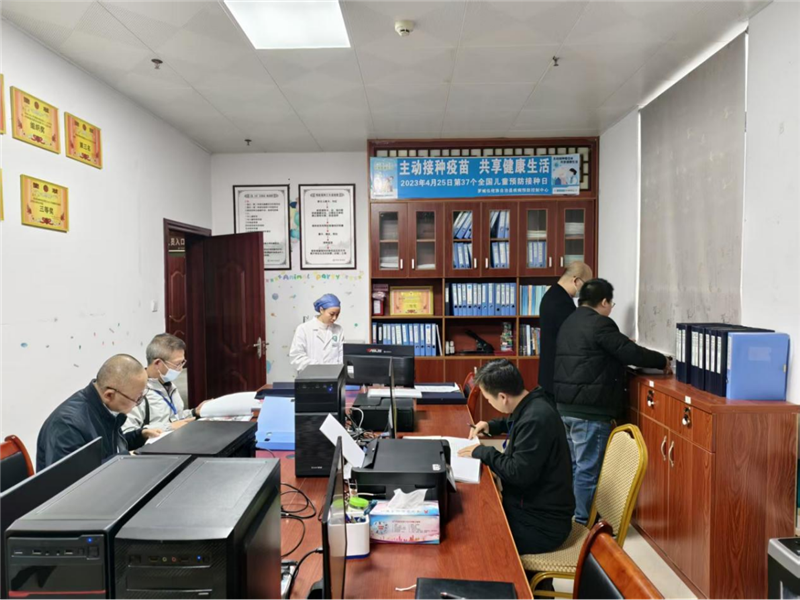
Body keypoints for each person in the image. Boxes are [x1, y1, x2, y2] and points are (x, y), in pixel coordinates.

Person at [554, 279, 671, 524]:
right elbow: (630, 353)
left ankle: (575, 517)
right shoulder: (600, 323)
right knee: (588, 470)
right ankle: (583, 524)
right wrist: (663, 361)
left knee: (576, 466)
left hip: (565, 406)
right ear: (605, 302)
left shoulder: (570, 321)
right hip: (590, 410)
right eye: (611, 304)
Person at [459, 359, 575, 556]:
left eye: (489, 399)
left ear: (503, 397)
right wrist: (491, 426)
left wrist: (483, 452)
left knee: (475, 539)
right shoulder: (533, 402)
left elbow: (517, 473)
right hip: (530, 508)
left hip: (541, 525)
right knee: (475, 518)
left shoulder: (536, 419)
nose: (489, 403)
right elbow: (515, 422)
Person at [36, 354, 162, 470]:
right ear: (109, 395)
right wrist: (126, 457)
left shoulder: (104, 408)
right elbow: (73, 479)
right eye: (137, 399)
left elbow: (108, 448)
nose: (138, 403)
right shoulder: (67, 425)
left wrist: (140, 435)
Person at [123, 334, 206, 436]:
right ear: (158, 363)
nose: (181, 368)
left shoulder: (167, 384)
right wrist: (169, 427)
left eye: (182, 362)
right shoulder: (136, 392)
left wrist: (194, 412)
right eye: (177, 364)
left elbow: (176, 418)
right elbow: (128, 433)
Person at [539, 261, 593, 398]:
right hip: (558, 373)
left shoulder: (553, 294)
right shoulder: (561, 302)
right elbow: (576, 334)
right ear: (576, 281)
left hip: (551, 372)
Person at [289, 293, 345, 372]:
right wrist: (319, 368)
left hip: (334, 375)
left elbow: (342, 356)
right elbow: (296, 357)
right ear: (321, 310)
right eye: (332, 314)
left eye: (337, 314)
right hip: (310, 376)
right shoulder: (303, 329)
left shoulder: (338, 330)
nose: (334, 318)